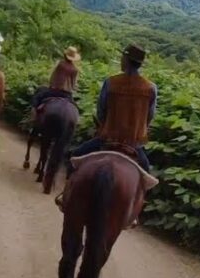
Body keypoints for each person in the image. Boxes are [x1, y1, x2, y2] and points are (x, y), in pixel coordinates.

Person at [56, 44, 157, 225]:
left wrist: (106, 124)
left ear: (125, 59)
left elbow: (101, 111)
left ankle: (66, 195)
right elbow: (150, 116)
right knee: (145, 174)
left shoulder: (111, 82)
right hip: (134, 144)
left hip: (107, 138)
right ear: (140, 64)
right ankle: (134, 214)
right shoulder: (151, 88)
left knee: (75, 156)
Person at [31, 46, 81, 124]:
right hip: (67, 95)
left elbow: (52, 76)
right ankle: (77, 123)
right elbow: (74, 84)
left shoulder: (60, 64)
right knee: (76, 108)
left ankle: (33, 116)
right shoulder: (75, 70)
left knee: (38, 95)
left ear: (65, 55)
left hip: (54, 91)